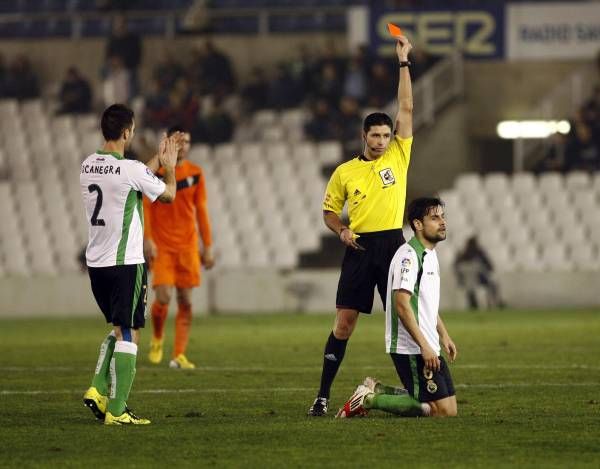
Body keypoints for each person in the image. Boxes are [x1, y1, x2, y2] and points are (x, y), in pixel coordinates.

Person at [307, 35, 414, 417]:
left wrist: (403, 62)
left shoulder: (400, 154)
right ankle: (321, 396)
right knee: (344, 324)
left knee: (403, 319)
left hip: (393, 245)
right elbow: (329, 212)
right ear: (364, 136)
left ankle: (413, 388)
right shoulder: (344, 171)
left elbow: (406, 104)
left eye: (387, 135)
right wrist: (341, 230)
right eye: (376, 135)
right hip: (359, 247)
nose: (383, 141)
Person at [80, 104, 180, 425]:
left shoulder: (88, 165)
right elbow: (167, 196)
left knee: (121, 328)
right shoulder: (131, 170)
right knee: (130, 334)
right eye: (133, 129)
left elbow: (132, 177)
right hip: (126, 263)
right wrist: (171, 168)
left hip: (97, 266)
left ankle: (97, 389)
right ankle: (118, 409)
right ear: (127, 132)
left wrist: (155, 163)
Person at [336, 197, 458, 418]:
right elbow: (402, 306)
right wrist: (424, 346)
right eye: (434, 218)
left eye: (442, 216)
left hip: (427, 343)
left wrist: (444, 336)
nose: (442, 222)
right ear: (417, 224)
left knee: (449, 408)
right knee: (442, 412)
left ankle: (379, 390)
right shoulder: (408, 257)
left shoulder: (430, 254)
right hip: (411, 346)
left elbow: (425, 304)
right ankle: (369, 399)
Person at [144, 125, 214, 369]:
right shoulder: (157, 171)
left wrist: (208, 246)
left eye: (187, 142)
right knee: (163, 297)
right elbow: (147, 206)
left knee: (185, 299)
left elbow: (201, 211)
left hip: (187, 246)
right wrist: (148, 238)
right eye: (180, 141)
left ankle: (179, 354)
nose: (184, 146)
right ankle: (157, 337)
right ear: (171, 143)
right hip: (162, 246)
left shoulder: (196, 173)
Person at [454, 235, 505, 309]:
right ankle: (494, 303)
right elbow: (490, 266)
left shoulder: (464, 254)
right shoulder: (476, 253)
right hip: (476, 279)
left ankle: (478, 303)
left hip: (474, 280)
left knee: (487, 284)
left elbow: (456, 267)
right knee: (490, 284)